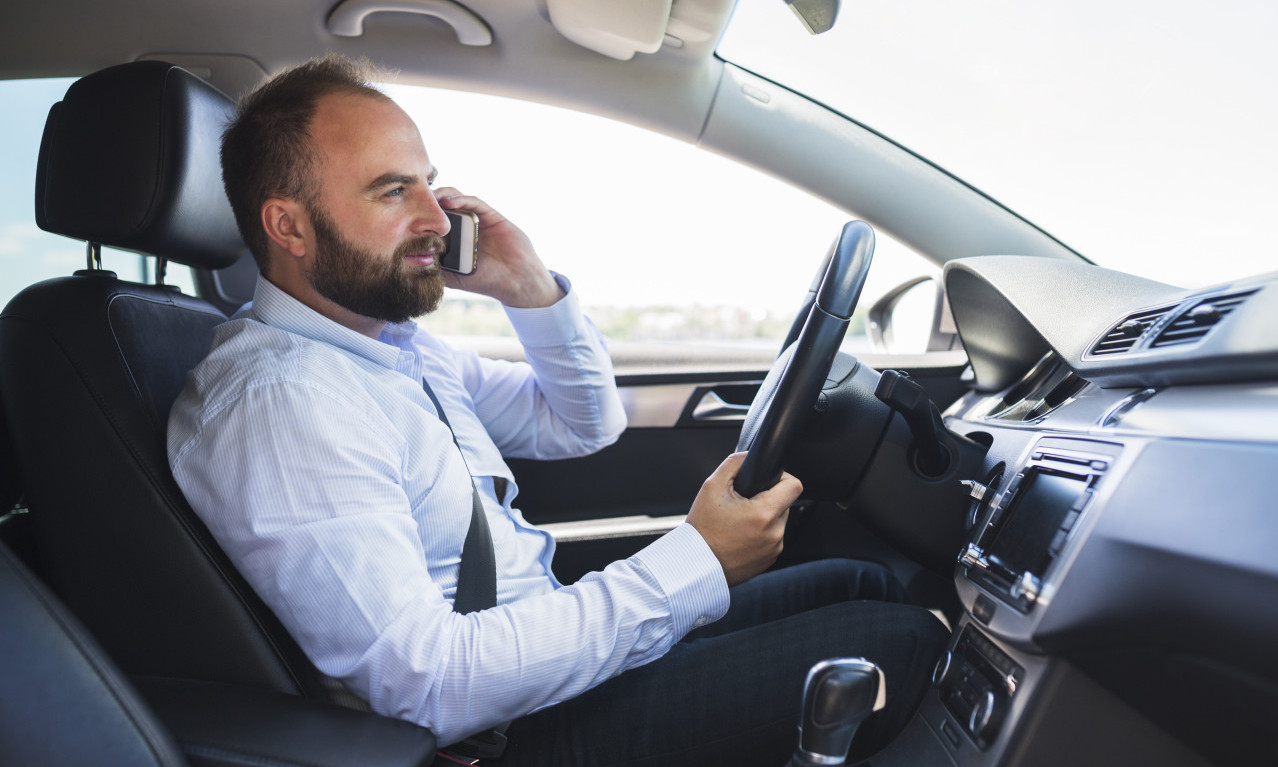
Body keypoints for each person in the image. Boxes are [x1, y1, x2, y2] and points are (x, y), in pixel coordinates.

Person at [168, 54, 947, 766]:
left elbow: (580, 422)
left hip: (543, 665)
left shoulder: (392, 349)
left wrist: (528, 289)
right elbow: (432, 685)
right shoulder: (283, 403)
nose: (439, 220)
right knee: (902, 644)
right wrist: (696, 560)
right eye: (391, 190)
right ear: (289, 226)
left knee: (862, 585)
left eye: (427, 181)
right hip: (508, 735)